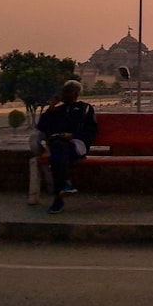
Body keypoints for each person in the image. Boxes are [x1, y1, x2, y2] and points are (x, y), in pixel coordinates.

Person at [35, 80, 98, 214]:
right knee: (59, 152)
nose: (64, 94)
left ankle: (60, 195)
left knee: (58, 154)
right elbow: (42, 127)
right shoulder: (57, 110)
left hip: (75, 144)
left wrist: (72, 135)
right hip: (59, 144)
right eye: (63, 91)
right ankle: (63, 188)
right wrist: (51, 108)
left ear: (75, 93)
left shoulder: (84, 108)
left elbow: (91, 131)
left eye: (67, 91)